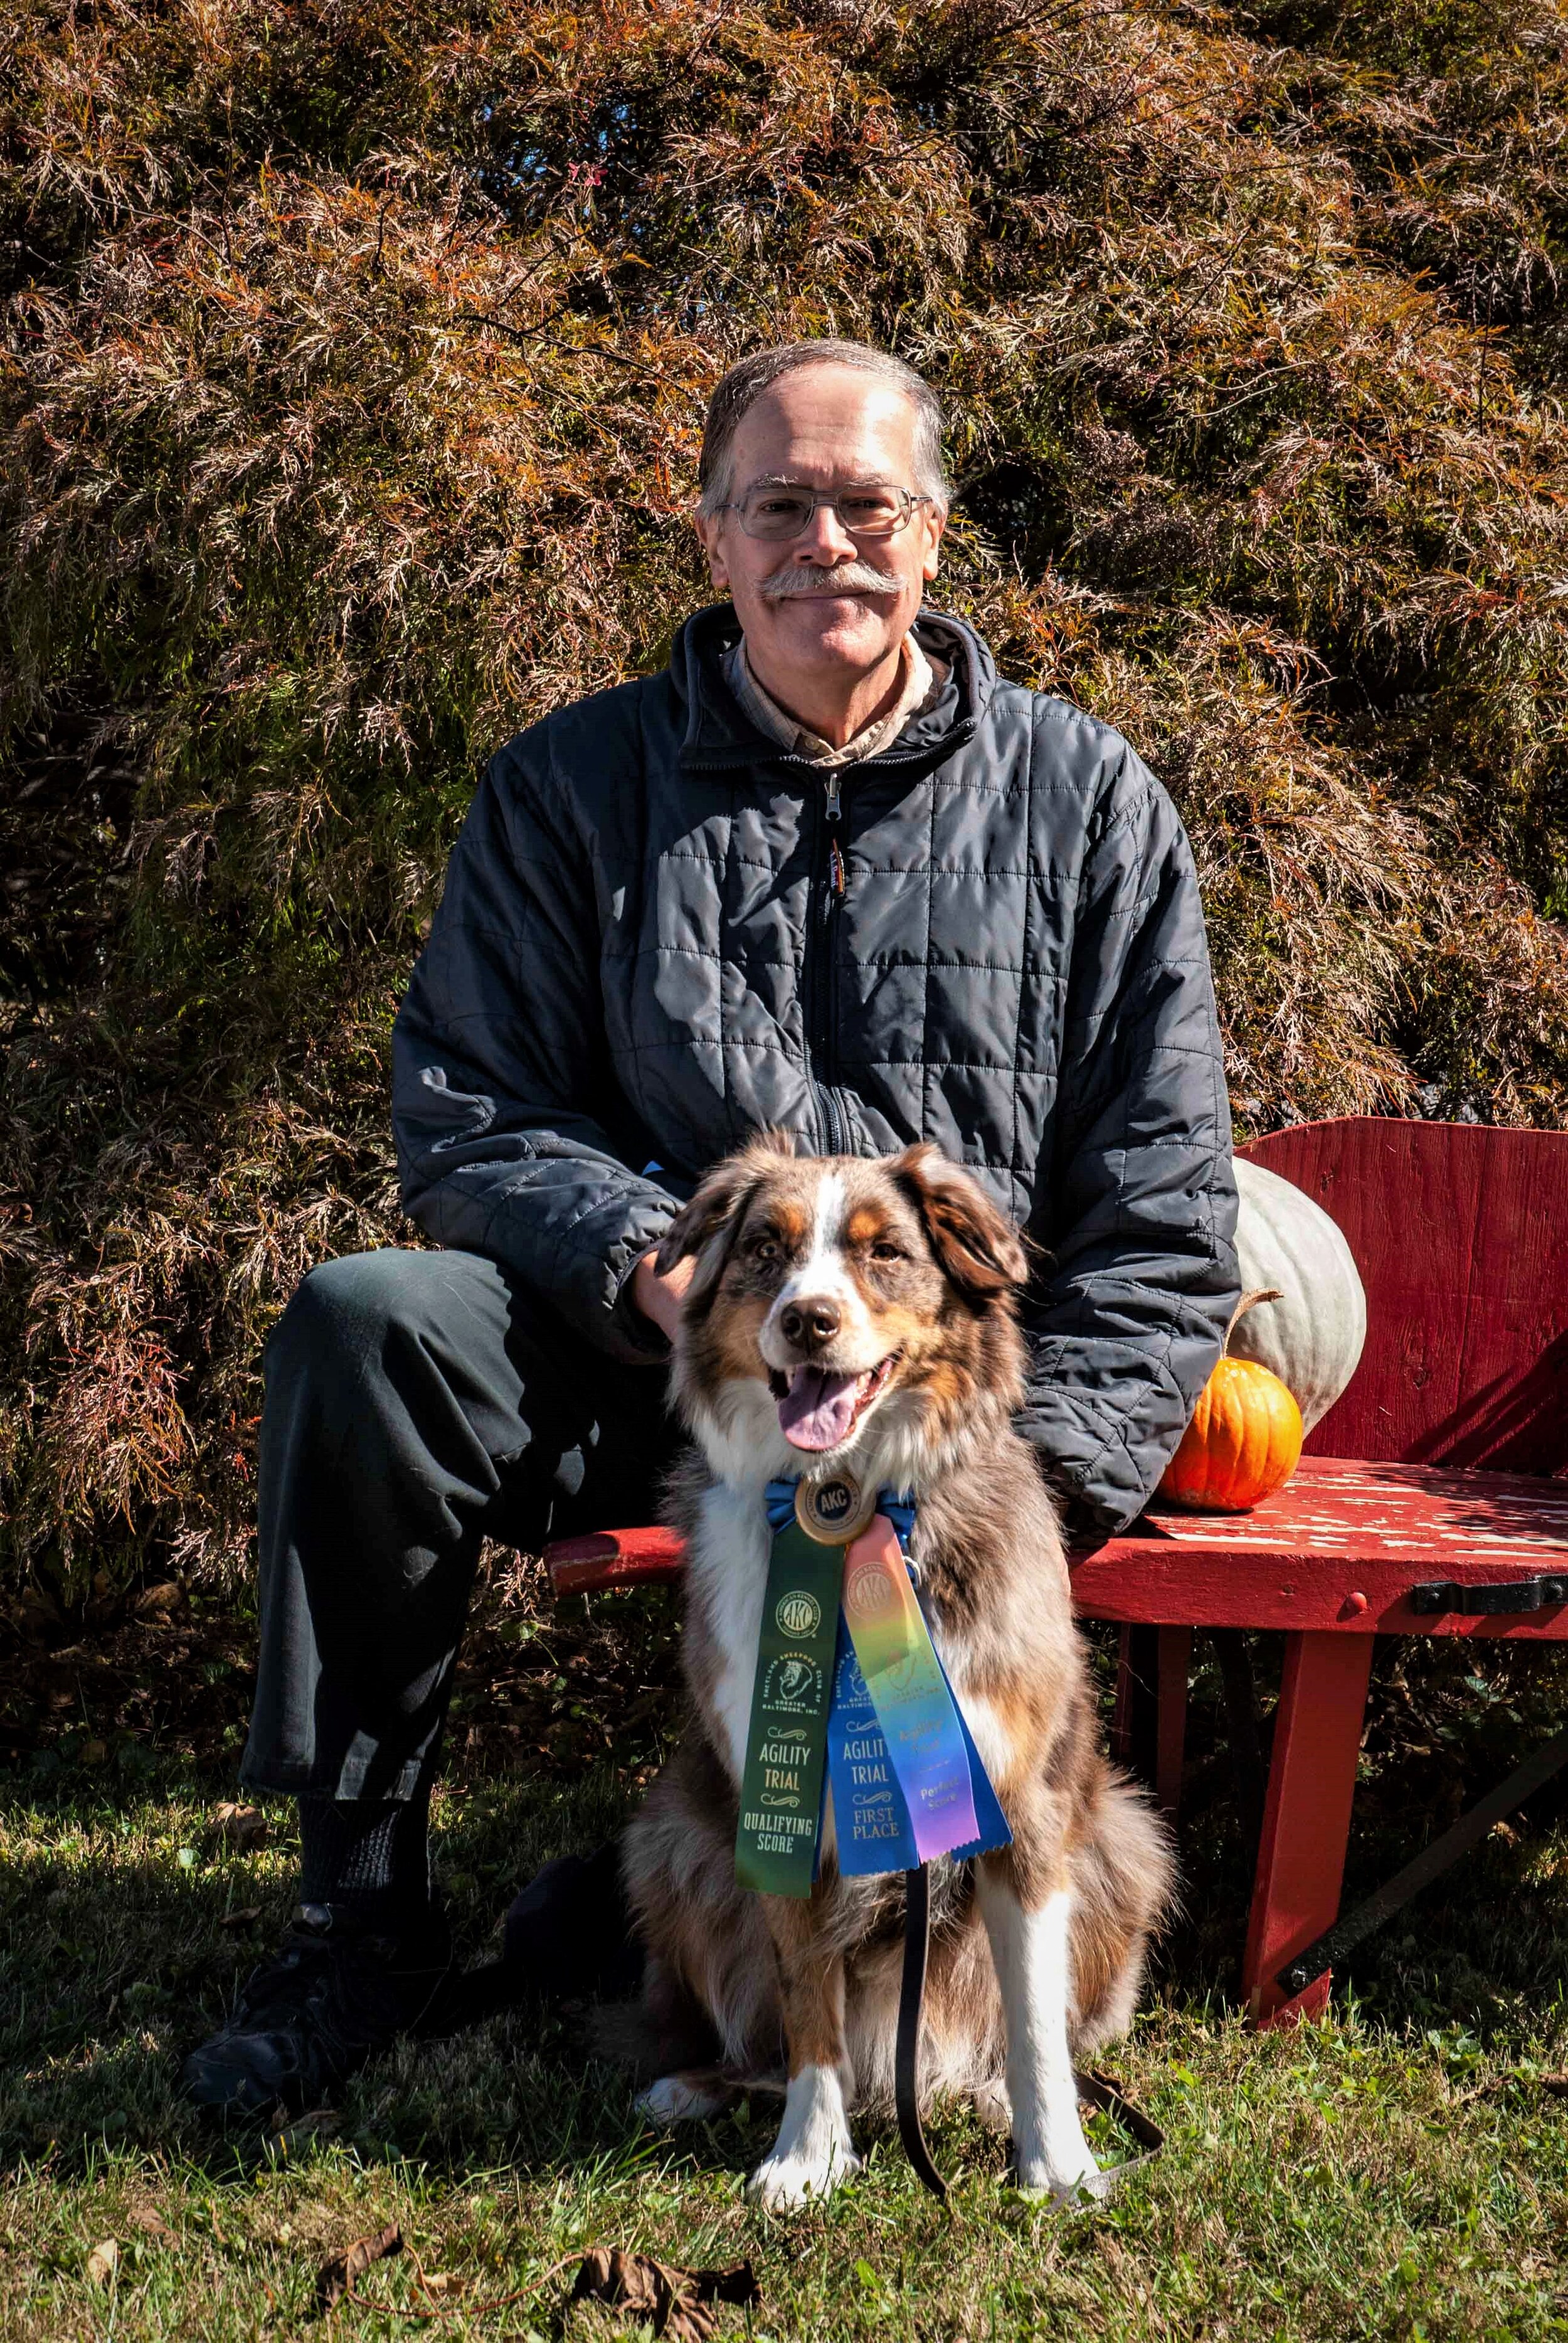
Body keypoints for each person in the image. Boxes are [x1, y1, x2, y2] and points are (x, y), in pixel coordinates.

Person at [181, 340, 1240, 2117]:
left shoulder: (1086, 801)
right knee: (369, 1322)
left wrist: (1032, 1491)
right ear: (709, 533)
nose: (824, 543)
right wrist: (644, 1265)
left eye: (866, 506)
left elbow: (1166, 1199)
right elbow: (465, 1106)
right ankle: (355, 1917)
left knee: (974, 1607)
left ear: (931, 532)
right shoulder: (567, 787)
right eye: (780, 505)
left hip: (942, 1435)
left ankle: (794, 1961)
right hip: (654, 1378)